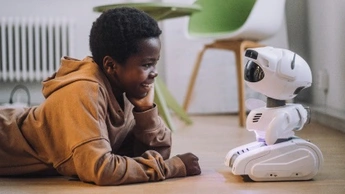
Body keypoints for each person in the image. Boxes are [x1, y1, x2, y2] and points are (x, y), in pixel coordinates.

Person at [0, 7, 201, 186]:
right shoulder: (83, 91)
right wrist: (173, 168)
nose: (154, 72)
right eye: (146, 64)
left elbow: (155, 155)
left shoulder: (125, 90)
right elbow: (102, 170)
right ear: (111, 66)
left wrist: (145, 111)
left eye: (155, 63)